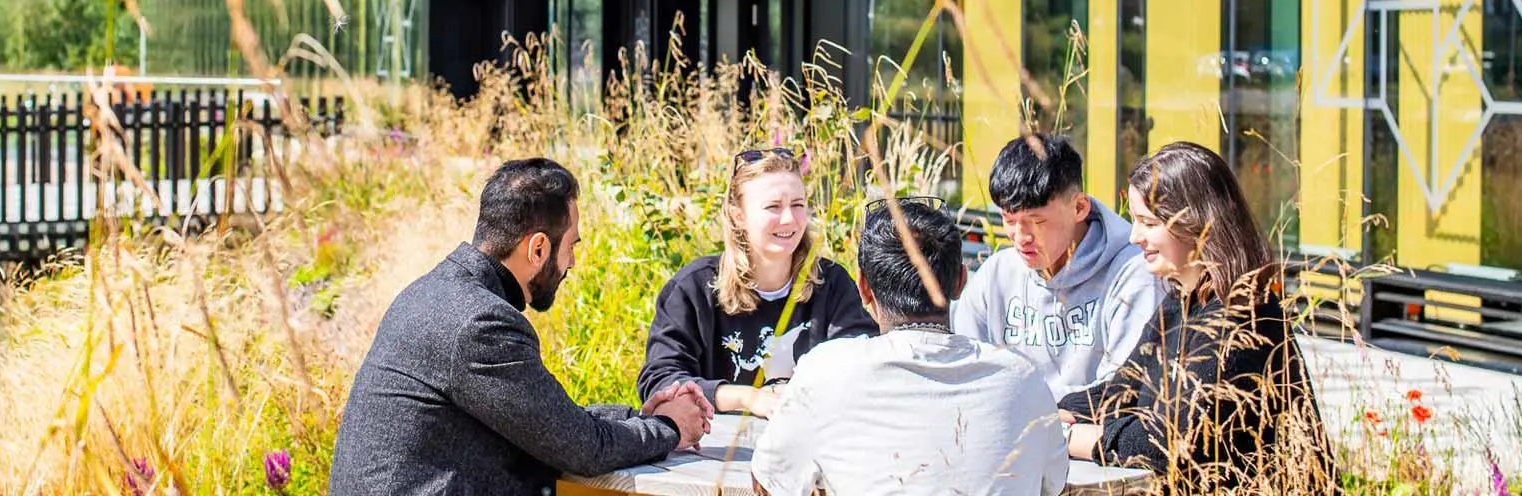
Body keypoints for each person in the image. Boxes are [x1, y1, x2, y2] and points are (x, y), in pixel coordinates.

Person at [329, 158, 713, 495]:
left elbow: (548, 421)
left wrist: (637, 418)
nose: (573, 264)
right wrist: (669, 427)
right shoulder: (481, 325)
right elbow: (580, 448)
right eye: (571, 247)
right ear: (539, 249)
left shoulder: (432, 293)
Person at [1059, 142, 1337, 494]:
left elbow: (1165, 443)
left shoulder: (1245, 318)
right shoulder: (1182, 300)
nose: (1134, 237)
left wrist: (1071, 438)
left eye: (1148, 222)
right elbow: (1123, 389)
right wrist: (1054, 414)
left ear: (1196, 223)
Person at [752, 198, 1069, 495]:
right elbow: (1052, 483)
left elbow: (769, 480)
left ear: (863, 287)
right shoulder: (1023, 379)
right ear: (961, 281)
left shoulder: (825, 372)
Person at [637, 148, 879, 417]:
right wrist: (748, 398)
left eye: (798, 205)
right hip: (715, 450)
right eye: (773, 207)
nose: (789, 219)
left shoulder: (832, 284)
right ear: (738, 214)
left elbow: (865, 368)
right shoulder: (693, 289)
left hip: (811, 442)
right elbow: (659, 381)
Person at [950, 134, 1163, 398]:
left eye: (1037, 221)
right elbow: (962, 370)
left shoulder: (1135, 273)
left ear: (1079, 207)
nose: (1020, 236)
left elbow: (1124, 390)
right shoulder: (996, 274)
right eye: (1009, 219)